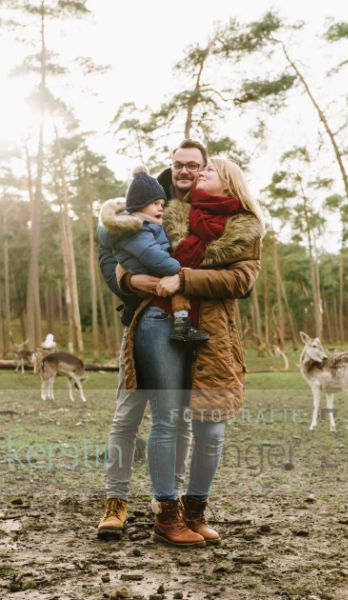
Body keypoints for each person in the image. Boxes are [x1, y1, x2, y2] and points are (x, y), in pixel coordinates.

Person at [117, 156, 263, 547]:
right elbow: (124, 252)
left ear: (229, 184)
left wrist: (183, 277)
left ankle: (196, 512)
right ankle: (167, 515)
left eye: (208, 171)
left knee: (211, 429)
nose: (199, 175)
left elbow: (241, 278)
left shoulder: (245, 227)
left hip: (213, 334)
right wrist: (131, 278)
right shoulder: (169, 213)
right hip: (159, 323)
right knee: (167, 420)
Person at [97, 139, 208, 539]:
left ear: (204, 168)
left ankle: (169, 503)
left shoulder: (213, 205)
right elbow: (109, 251)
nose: (186, 172)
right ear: (173, 167)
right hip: (140, 320)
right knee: (127, 414)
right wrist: (127, 280)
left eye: (194, 165)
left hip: (190, 324)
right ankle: (116, 501)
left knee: (177, 420)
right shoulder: (146, 199)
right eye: (180, 164)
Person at [98, 167, 209, 344]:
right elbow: (151, 254)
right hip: (152, 277)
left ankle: (182, 324)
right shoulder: (136, 229)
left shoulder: (143, 225)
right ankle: (182, 326)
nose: (161, 209)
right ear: (139, 205)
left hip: (155, 272)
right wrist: (177, 269)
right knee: (179, 290)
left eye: (162, 205)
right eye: (155, 204)